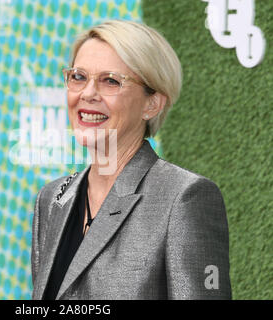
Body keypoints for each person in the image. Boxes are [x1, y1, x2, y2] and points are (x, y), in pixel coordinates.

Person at [31, 20, 231, 300]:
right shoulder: (52, 200)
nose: (87, 93)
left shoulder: (184, 198)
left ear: (152, 104)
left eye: (110, 81)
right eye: (78, 77)